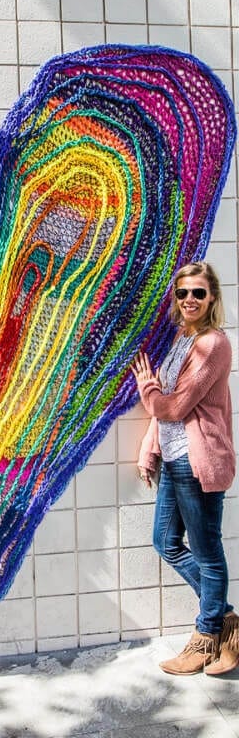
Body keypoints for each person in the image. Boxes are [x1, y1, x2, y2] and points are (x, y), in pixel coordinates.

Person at [131, 261, 238, 676]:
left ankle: (205, 637)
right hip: (175, 461)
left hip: (199, 463)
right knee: (165, 542)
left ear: (212, 298)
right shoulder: (182, 340)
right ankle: (226, 620)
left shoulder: (213, 344)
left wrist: (148, 389)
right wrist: (149, 449)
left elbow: (173, 406)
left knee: (208, 554)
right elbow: (165, 415)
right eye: (183, 293)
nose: (190, 299)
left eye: (198, 293)